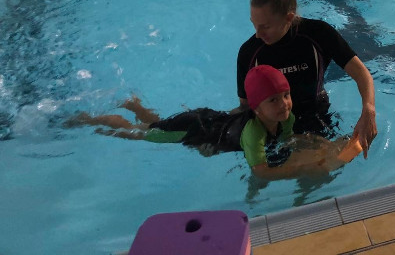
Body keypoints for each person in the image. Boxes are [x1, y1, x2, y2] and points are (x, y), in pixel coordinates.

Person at [68, 66, 362, 180]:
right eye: (274, 100)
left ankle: (134, 103)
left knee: (158, 125)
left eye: (286, 96)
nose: (284, 104)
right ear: (256, 108)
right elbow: (261, 173)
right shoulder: (253, 133)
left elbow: (287, 140)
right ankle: (95, 120)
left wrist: (314, 145)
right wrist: (302, 168)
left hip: (208, 119)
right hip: (193, 129)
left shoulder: (287, 117)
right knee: (140, 134)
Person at [237, 0, 378, 157]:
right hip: (273, 125)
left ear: (289, 18)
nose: (257, 34)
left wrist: (369, 110)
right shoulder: (249, 52)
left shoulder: (318, 34)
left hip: (315, 114)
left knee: (325, 165)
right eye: (254, 25)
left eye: (265, 27)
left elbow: (362, 74)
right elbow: (246, 107)